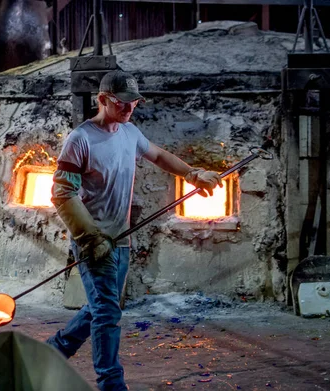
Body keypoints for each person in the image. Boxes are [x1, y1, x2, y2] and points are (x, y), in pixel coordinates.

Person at [46, 70, 222, 391]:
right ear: (102, 100)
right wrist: (88, 237)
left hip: (120, 240)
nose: (129, 109)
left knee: (103, 306)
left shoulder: (129, 132)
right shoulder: (80, 140)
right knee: (107, 312)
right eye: (122, 103)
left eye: (134, 103)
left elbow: (158, 155)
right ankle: (111, 384)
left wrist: (193, 174)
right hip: (93, 241)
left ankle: (54, 351)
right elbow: (62, 193)